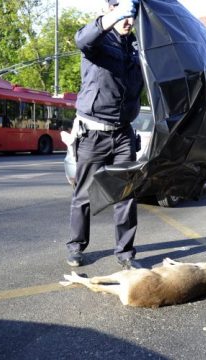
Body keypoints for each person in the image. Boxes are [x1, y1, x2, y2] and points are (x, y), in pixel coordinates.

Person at [66, 0, 144, 269]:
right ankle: (76, 247)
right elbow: (81, 40)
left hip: (123, 135)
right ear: (110, 9)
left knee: (125, 196)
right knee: (84, 194)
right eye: (123, 14)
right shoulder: (98, 41)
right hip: (94, 133)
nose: (127, 21)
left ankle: (125, 254)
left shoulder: (136, 48)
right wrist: (108, 19)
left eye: (131, 15)